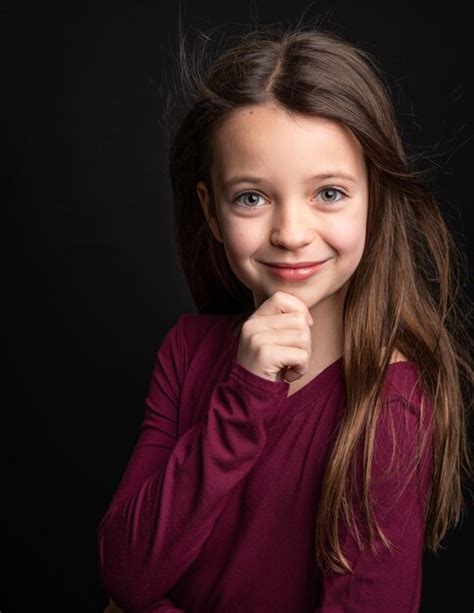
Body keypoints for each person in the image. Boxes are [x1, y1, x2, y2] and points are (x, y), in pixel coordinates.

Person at [97, 18, 473, 613]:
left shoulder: (390, 404)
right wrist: (244, 395)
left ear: (374, 196)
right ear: (212, 212)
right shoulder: (187, 352)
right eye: (252, 196)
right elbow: (126, 570)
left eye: (328, 192)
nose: (291, 234)